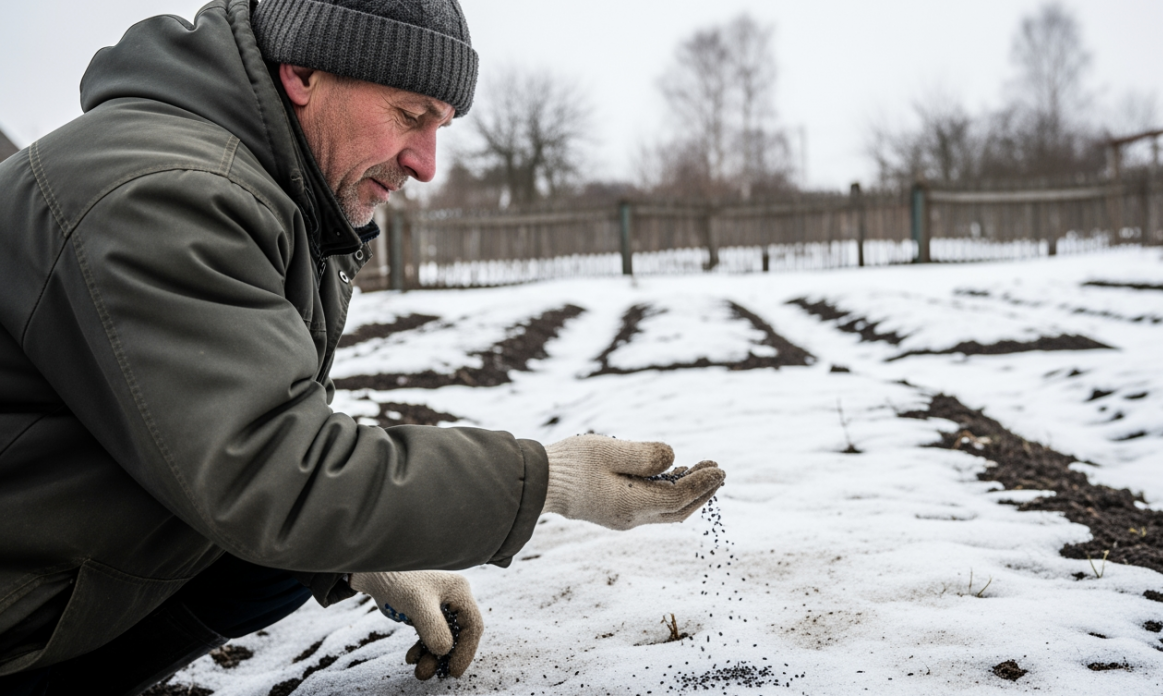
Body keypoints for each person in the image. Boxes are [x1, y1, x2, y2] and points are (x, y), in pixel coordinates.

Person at [0, 1, 726, 694]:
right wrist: (548, 481)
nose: (427, 164)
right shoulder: (168, 194)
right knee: (290, 534)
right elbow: (270, 468)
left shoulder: (272, 193)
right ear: (303, 72)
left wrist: (357, 561)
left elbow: (256, 430)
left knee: (288, 561)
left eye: (441, 126)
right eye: (410, 116)